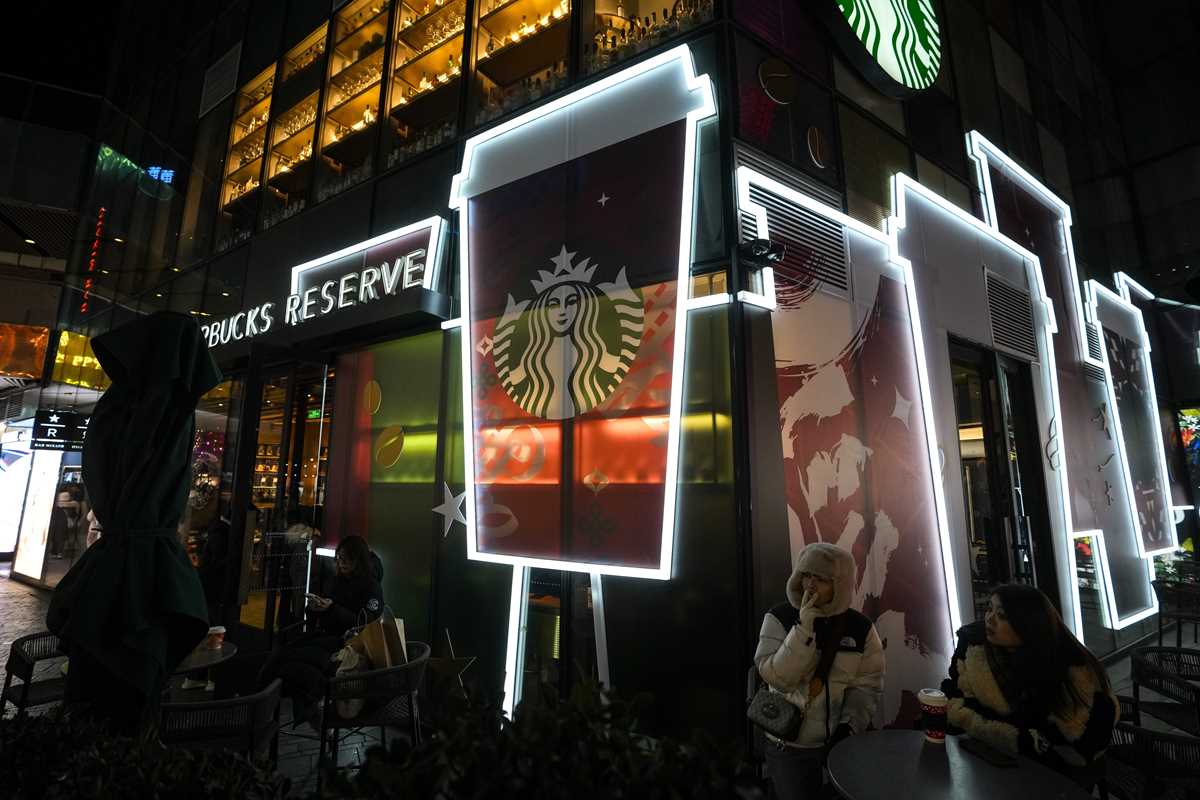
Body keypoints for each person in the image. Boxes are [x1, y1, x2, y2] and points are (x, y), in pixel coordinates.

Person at [941, 583, 1118, 791]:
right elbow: (955, 697)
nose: (989, 619)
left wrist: (987, 726)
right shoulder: (974, 648)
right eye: (989, 609)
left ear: (1028, 624)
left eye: (1002, 615)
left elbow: (1078, 748)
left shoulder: (1071, 670)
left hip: (1052, 781)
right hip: (987, 769)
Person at [754, 542, 885, 799]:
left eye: (821, 579)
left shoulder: (861, 629)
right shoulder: (779, 617)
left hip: (837, 742)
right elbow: (777, 679)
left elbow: (867, 686)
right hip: (786, 742)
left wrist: (848, 727)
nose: (810, 585)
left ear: (840, 585)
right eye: (806, 575)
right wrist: (803, 629)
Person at [259, 535, 383, 729]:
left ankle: (268, 712)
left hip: (347, 645)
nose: (340, 563)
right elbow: (329, 606)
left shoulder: (371, 586)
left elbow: (364, 623)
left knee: (287, 661)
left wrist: (332, 608)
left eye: (345, 559)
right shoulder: (338, 580)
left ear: (357, 561)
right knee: (283, 660)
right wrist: (315, 608)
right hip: (326, 637)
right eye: (338, 558)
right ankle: (300, 708)